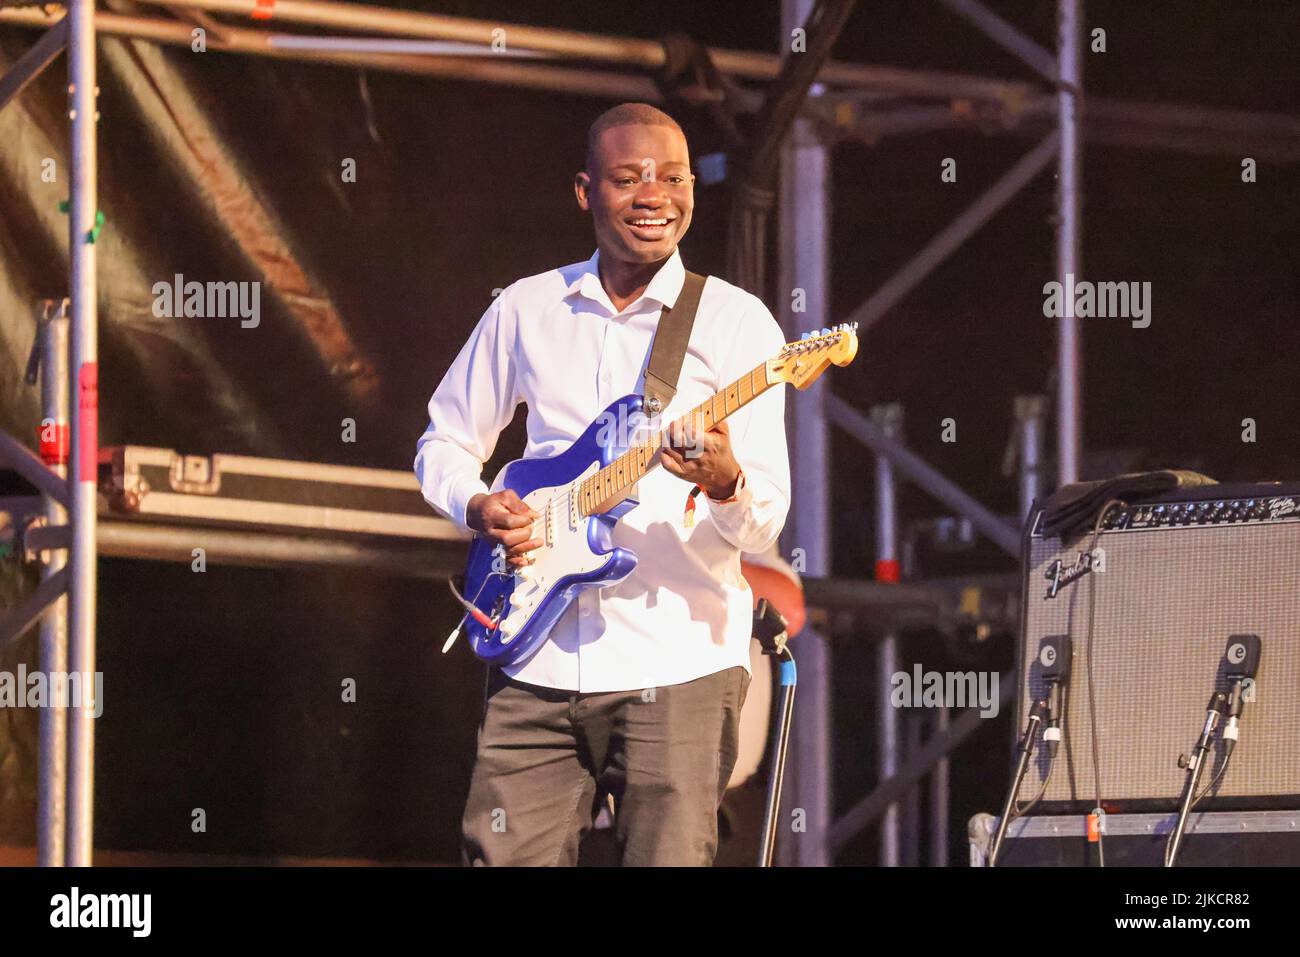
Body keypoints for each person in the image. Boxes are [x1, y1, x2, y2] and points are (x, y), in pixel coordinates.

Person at [414, 102, 791, 866]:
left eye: (673, 177)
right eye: (629, 178)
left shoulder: (738, 324)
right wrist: (480, 502)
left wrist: (724, 483)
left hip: (679, 662)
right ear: (586, 192)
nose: (655, 195)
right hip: (535, 656)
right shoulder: (526, 307)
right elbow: (443, 440)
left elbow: (765, 521)